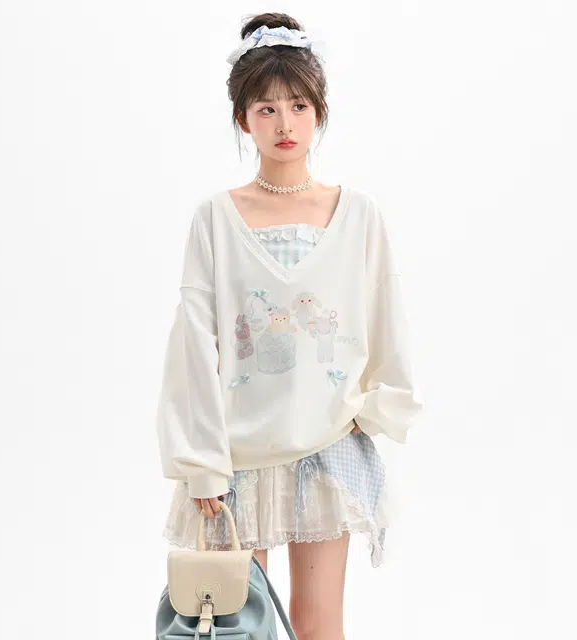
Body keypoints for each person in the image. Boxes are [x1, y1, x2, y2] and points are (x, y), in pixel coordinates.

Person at [155, 12, 424, 639]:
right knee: (231, 622)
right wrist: (201, 462)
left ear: (319, 112)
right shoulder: (215, 219)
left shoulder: (358, 214)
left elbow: (387, 317)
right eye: (267, 108)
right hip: (236, 456)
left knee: (317, 623)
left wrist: (375, 408)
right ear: (242, 118)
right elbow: (194, 344)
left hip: (327, 449)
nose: (284, 124)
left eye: (299, 106)